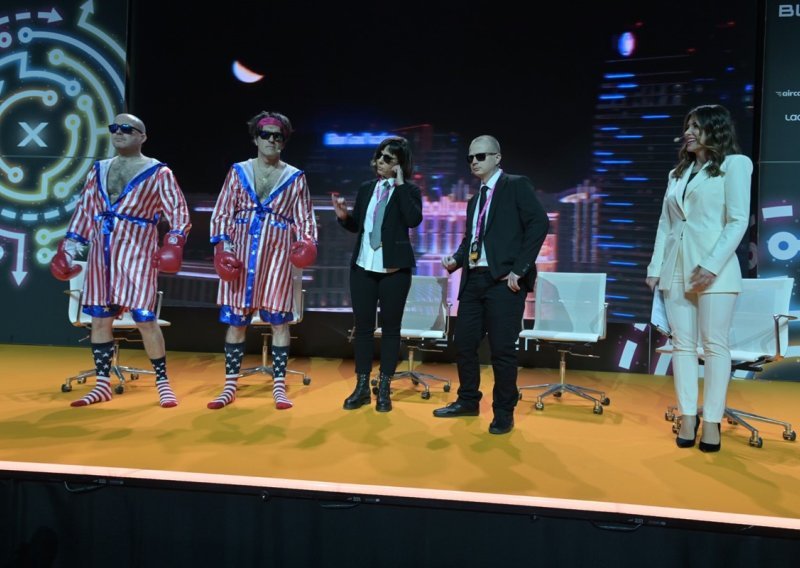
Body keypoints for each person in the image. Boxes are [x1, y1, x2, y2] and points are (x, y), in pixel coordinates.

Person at [50, 113, 191, 408]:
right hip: (102, 255)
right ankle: (102, 384)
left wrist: (174, 243)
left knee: (145, 319)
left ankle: (163, 383)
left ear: (142, 136)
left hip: (137, 253)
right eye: (114, 127)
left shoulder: (158, 172)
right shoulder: (99, 169)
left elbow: (178, 212)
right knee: (100, 319)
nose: (118, 132)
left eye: (127, 128)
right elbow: (84, 212)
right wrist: (68, 251)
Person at [646, 104, 752, 453]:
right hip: (676, 268)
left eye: (696, 126)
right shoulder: (677, 173)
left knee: (715, 346)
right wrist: (655, 267)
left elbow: (737, 220)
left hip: (715, 272)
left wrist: (711, 264)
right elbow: (666, 224)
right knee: (683, 346)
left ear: (715, 129)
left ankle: (712, 422)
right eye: (687, 126)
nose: (688, 132)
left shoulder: (736, 165)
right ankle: (688, 416)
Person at [434, 135, 549, 434]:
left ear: (497, 158)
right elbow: (471, 240)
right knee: (464, 344)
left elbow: (539, 224)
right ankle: (468, 400)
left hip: (503, 282)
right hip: (473, 280)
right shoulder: (475, 200)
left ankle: (503, 412)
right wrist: (456, 260)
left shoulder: (515, 185)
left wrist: (519, 270)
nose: (474, 161)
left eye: (481, 156)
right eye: (470, 158)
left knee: (502, 350)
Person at [207, 111, 318, 410]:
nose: (271, 139)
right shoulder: (238, 171)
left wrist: (307, 243)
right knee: (236, 321)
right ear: (255, 138)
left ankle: (279, 387)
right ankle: (230, 385)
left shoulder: (295, 177)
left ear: (284, 141)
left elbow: (305, 219)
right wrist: (222, 249)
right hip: (240, 256)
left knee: (280, 322)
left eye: (277, 136)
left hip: (278, 257)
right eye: (265, 134)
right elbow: (222, 212)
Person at [331, 137, 423, 412]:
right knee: (363, 329)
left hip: (394, 271)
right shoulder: (366, 188)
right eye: (380, 156)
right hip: (363, 268)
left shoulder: (409, 190)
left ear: (399, 165)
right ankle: (361, 388)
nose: (380, 161)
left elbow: (413, 220)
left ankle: (384, 388)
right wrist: (343, 217)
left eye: (388, 158)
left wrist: (400, 185)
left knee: (391, 330)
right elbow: (357, 225)